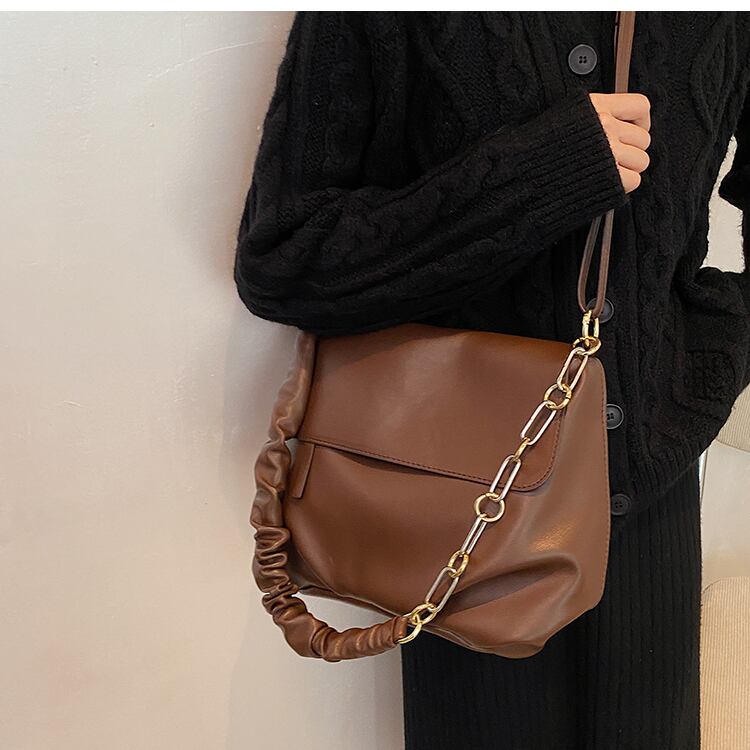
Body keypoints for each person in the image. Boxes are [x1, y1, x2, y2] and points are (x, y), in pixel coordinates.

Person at [233, 11, 750, 749]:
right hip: (466, 504)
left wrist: (718, 344)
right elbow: (285, 258)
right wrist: (543, 173)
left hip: (652, 502)